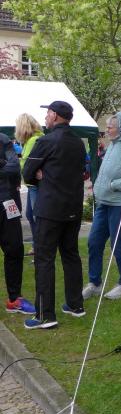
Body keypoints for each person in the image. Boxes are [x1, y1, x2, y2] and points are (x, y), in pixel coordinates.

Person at [22, 101, 87, 329]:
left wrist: (42, 175)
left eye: (48, 113)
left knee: (44, 259)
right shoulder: (78, 142)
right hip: (73, 208)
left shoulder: (46, 141)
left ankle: (45, 315)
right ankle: (75, 305)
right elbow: (81, 171)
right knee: (71, 255)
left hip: (50, 209)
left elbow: (27, 172)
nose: (46, 117)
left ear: (56, 116)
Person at [82, 111, 121, 302]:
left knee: (118, 243)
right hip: (104, 203)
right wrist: (99, 186)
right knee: (94, 241)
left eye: (110, 127)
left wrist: (112, 185)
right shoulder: (111, 146)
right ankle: (95, 283)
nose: (107, 130)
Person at [0, 131, 35, 315]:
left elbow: (14, 168)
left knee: (14, 249)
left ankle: (14, 299)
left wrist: (3, 164)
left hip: (7, 202)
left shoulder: (3, 139)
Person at [15, 113, 44, 254]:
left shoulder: (34, 140)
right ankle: (37, 245)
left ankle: (41, 247)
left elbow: (29, 162)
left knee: (36, 216)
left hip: (35, 185)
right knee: (30, 215)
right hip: (32, 184)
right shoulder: (31, 140)